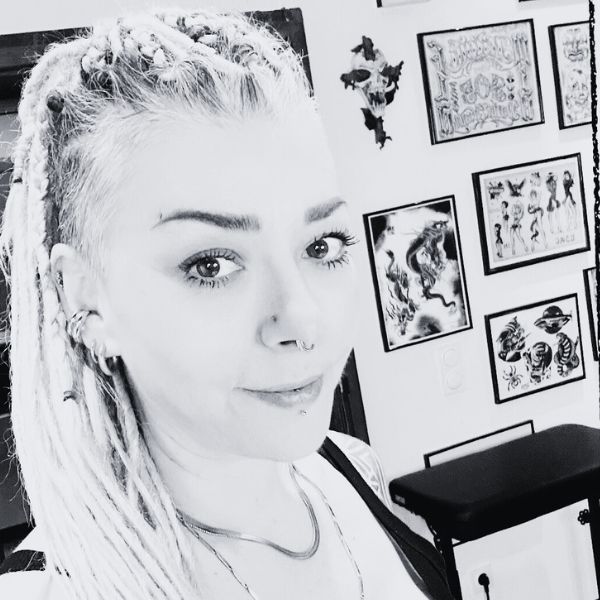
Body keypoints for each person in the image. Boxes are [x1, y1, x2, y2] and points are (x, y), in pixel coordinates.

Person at [0, 8, 452, 599]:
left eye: (322, 245)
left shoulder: (351, 469)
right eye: (211, 265)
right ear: (84, 295)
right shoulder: (55, 591)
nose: (302, 318)